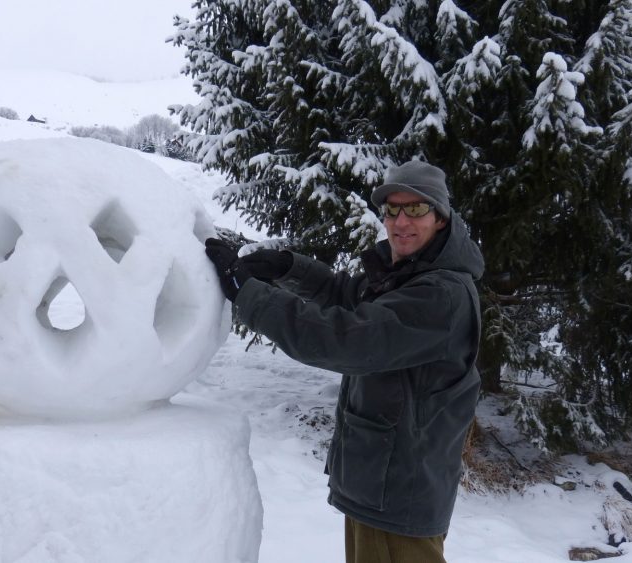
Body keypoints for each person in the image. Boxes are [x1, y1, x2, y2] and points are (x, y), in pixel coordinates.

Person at [204, 160, 483, 563]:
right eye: (392, 209)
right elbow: (345, 294)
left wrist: (247, 294)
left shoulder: (440, 295)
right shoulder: (410, 272)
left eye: (416, 209)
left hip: (399, 494)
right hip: (382, 484)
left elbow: (345, 339)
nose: (401, 221)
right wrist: (289, 267)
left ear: (440, 217)